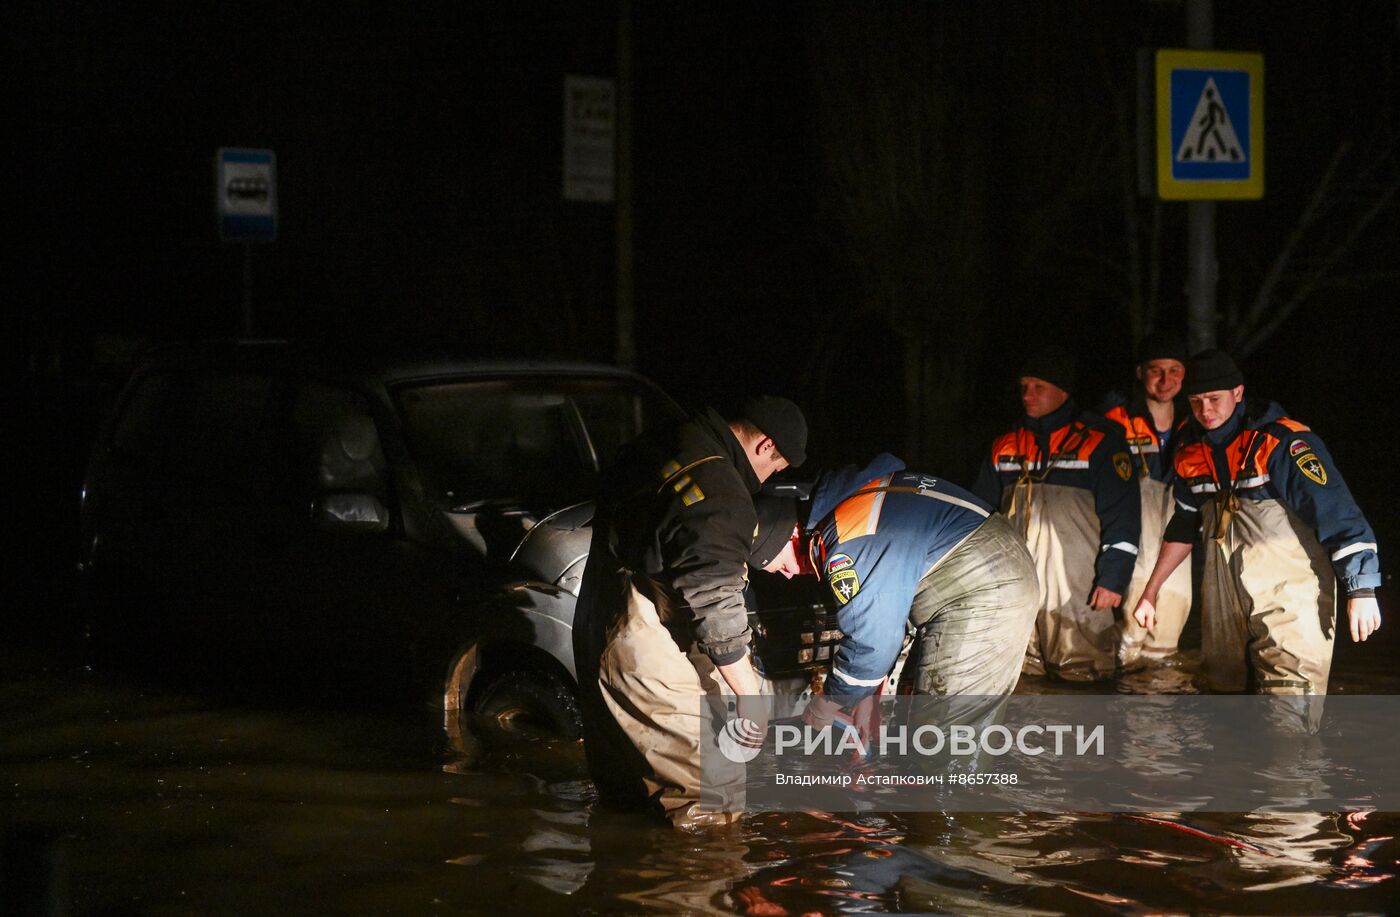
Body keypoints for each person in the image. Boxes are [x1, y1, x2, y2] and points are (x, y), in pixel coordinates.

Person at [572, 395, 807, 828]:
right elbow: (715, 603)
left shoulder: (669, 438)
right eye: (778, 466)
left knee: (624, 793)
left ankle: (611, 888)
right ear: (766, 446)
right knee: (711, 798)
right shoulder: (722, 491)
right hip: (641, 639)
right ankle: (702, 891)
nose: (770, 479)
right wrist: (751, 699)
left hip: (597, 613)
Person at [1132, 349, 1381, 694]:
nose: (1206, 411)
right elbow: (1183, 527)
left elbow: (1337, 512)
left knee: (1289, 710)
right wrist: (1150, 592)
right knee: (1224, 705)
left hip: (1289, 598)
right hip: (1224, 605)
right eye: (1197, 401)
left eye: (1215, 399)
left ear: (1237, 393)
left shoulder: (1281, 443)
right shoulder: (1190, 452)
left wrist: (1362, 588)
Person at [751, 453, 1039, 727]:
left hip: (984, 584)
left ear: (793, 535)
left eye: (780, 565)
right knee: (914, 704)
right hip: (989, 563)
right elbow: (889, 611)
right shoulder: (855, 499)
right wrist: (866, 698)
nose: (789, 576)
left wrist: (825, 705)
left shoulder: (846, 541)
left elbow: (872, 643)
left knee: (942, 731)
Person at [971, 345, 1140, 681]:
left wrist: (1112, 579)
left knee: (1083, 674)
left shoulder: (1100, 443)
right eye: (1023, 388)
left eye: (1038, 387)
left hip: (1079, 586)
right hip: (1018, 585)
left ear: (1063, 391)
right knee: (1021, 676)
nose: (1027, 396)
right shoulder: (1005, 445)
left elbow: (1123, 518)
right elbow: (979, 514)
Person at [1099, 330, 1193, 667]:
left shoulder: (1194, 420)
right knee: (1128, 630)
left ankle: (1158, 710)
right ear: (1140, 372)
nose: (1166, 380)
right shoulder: (1117, 420)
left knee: (1169, 626)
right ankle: (1121, 707)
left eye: (1175, 370)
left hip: (1178, 536)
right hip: (1132, 533)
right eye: (1156, 370)